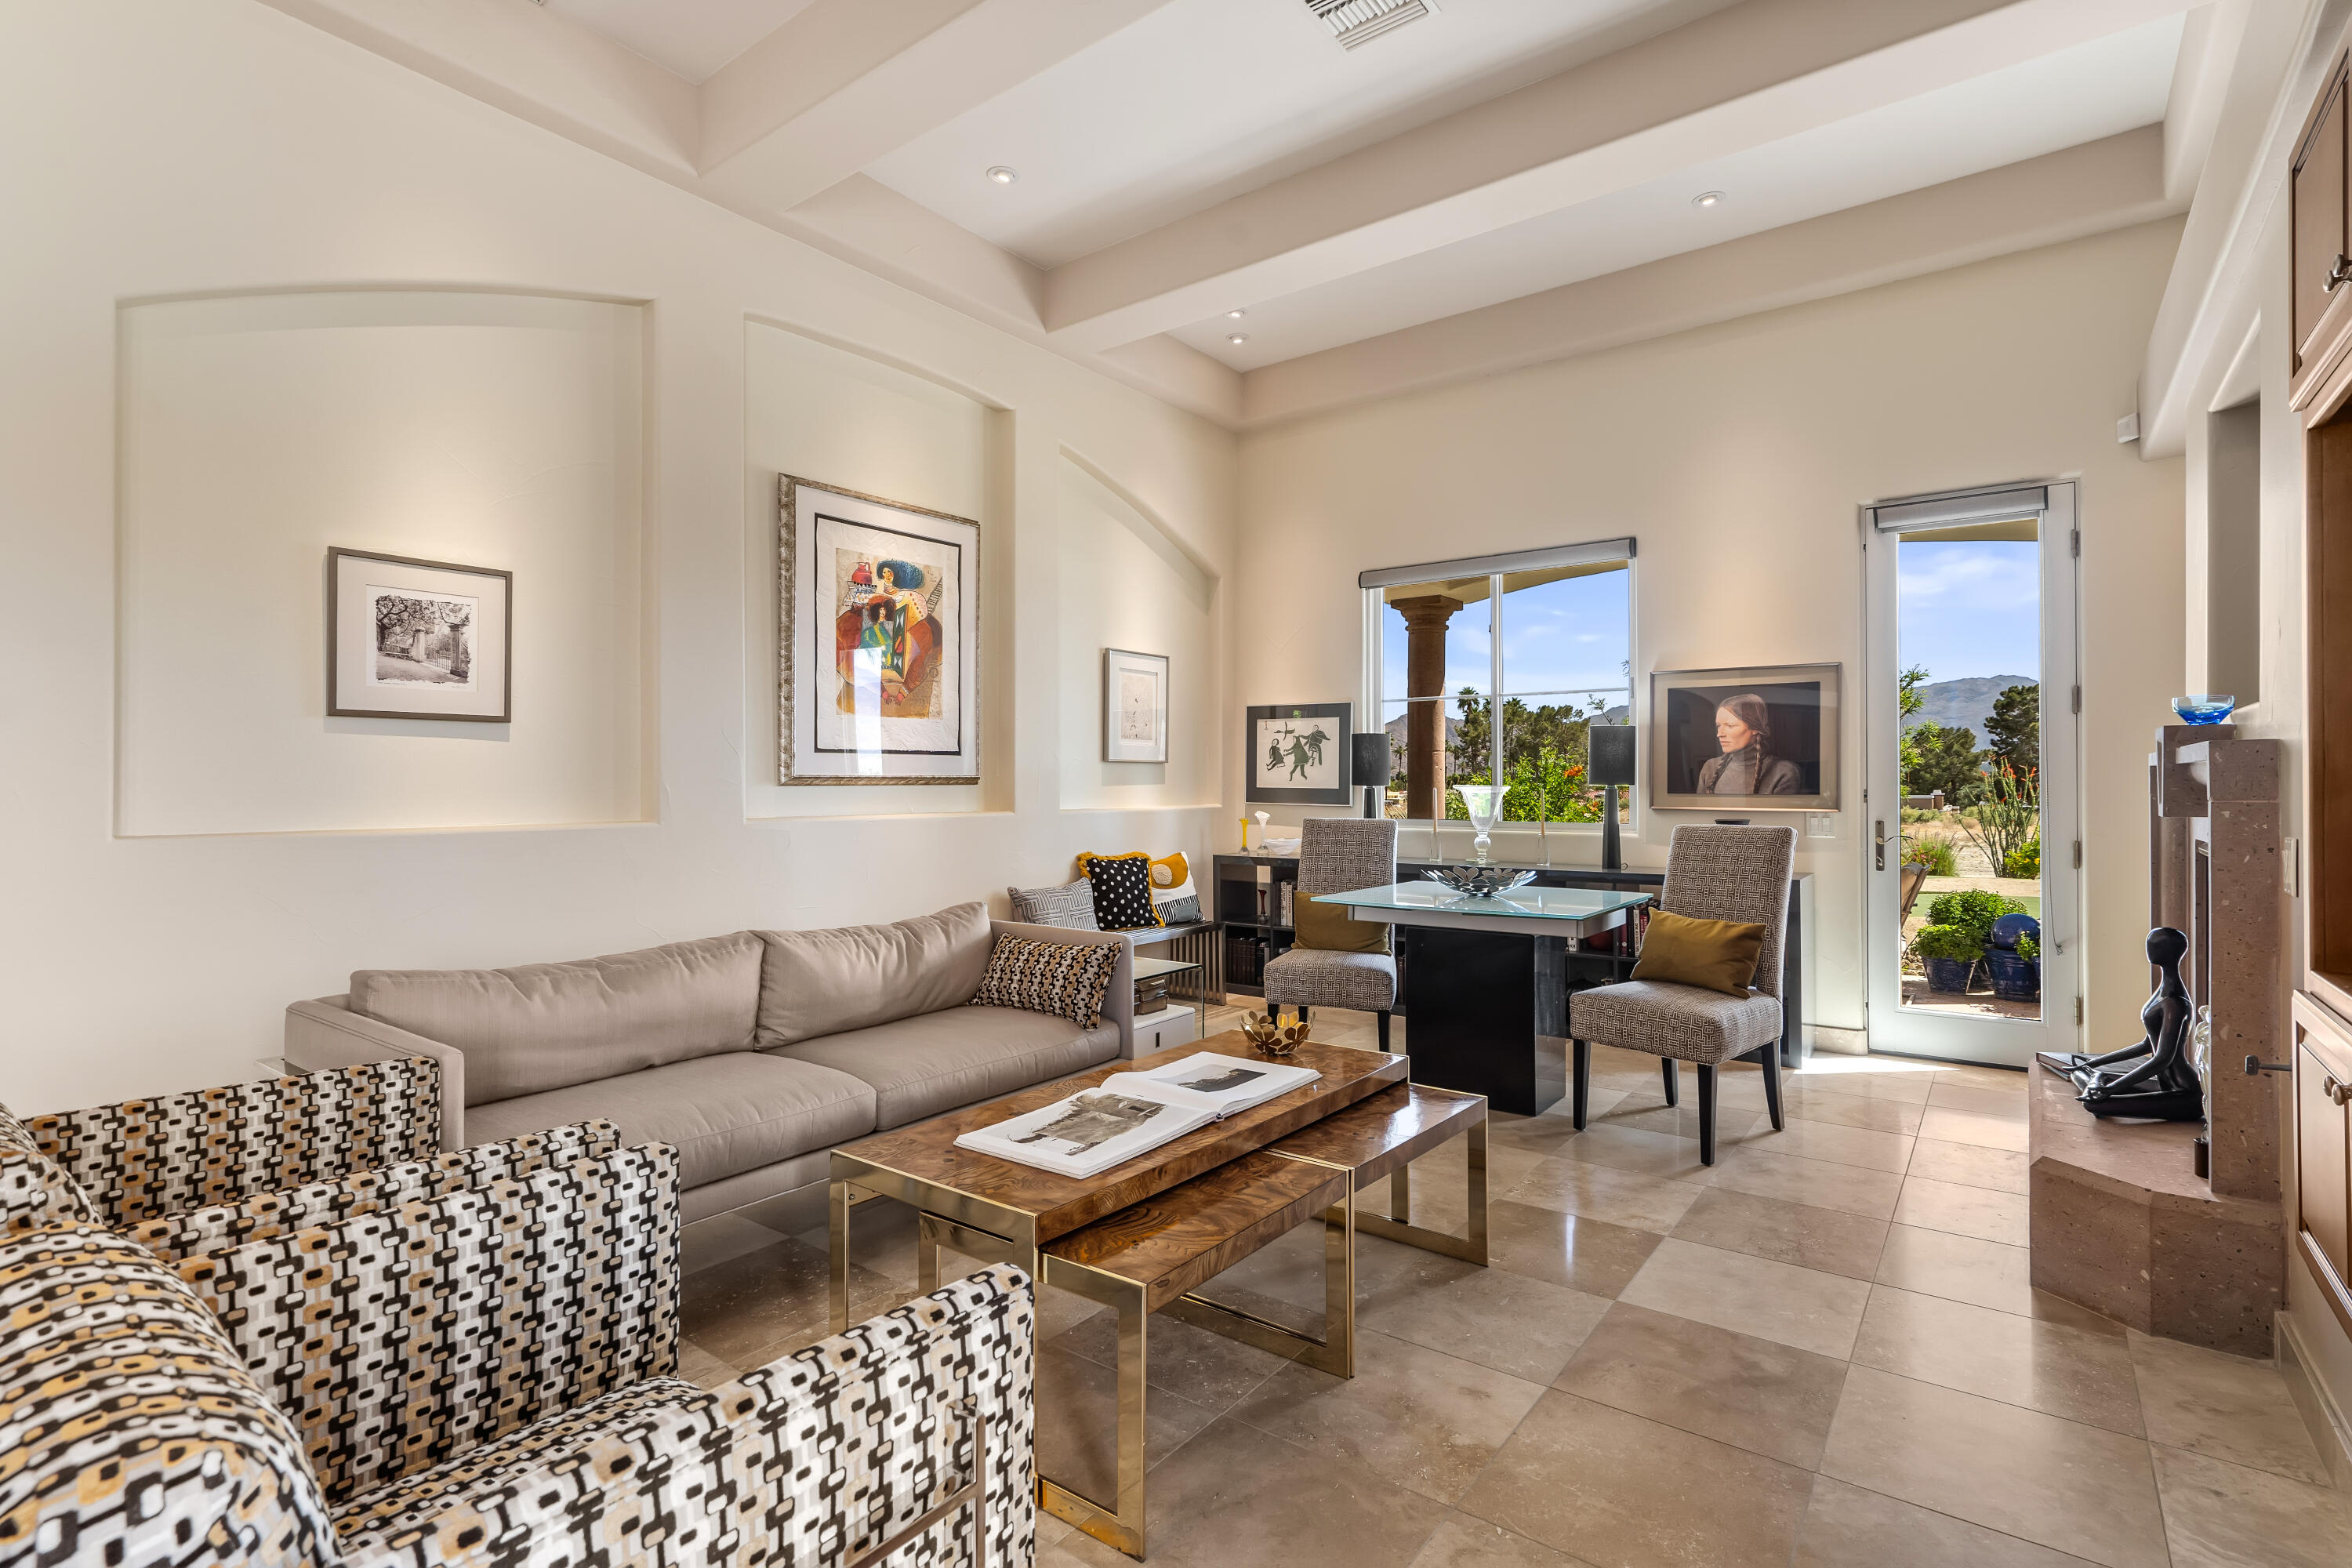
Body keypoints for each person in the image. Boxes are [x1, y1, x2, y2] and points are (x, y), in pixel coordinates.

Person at [1695, 693, 1802, 794]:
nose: (1719, 734)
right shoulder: (1710, 768)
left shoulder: (1784, 772)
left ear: (1755, 728)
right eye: (1719, 726)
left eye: (1730, 726)